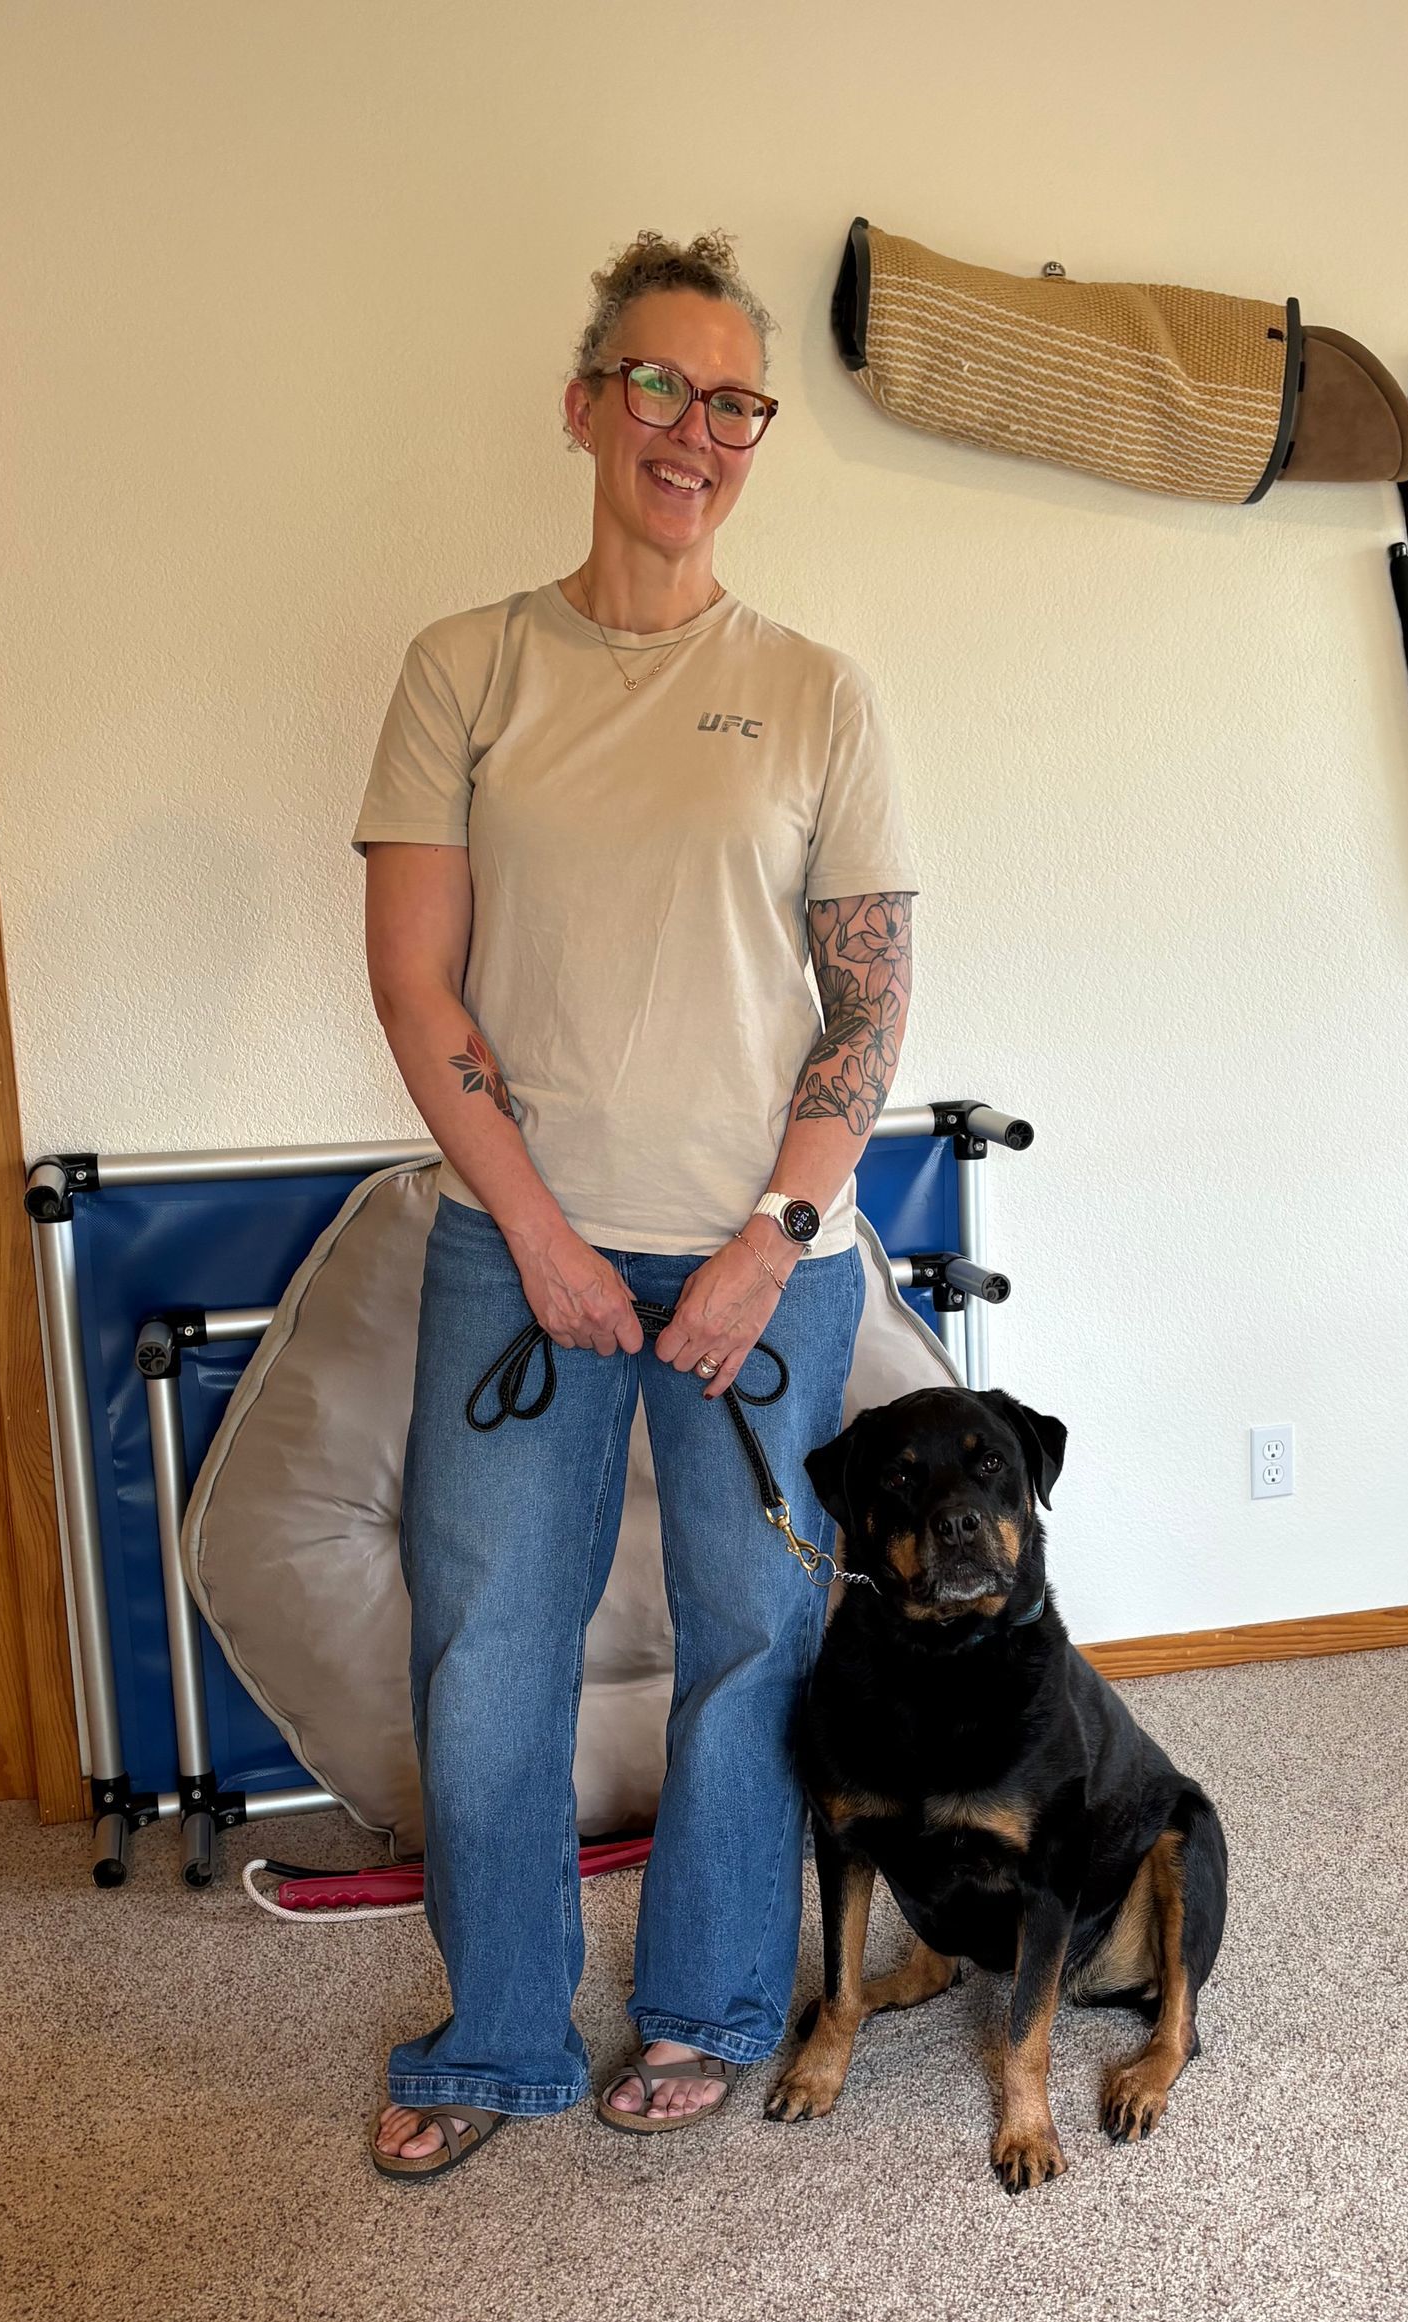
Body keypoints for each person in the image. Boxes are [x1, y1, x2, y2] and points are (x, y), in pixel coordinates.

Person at [354, 229, 917, 2172]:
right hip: (518, 1248)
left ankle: (706, 2000)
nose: (695, 431)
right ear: (588, 404)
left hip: (768, 1252)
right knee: (488, 1635)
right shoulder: (468, 666)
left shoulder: (822, 695)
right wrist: (537, 1229)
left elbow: (869, 1004)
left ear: (755, 435)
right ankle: (500, 2026)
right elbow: (418, 978)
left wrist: (772, 1238)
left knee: (756, 1635)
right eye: (659, 388)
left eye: (733, 402)